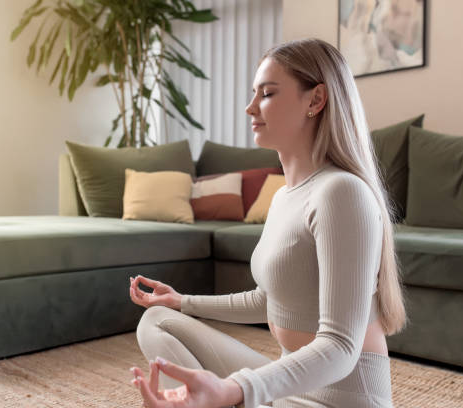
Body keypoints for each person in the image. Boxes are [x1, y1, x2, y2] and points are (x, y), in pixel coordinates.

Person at [127, 38, 406, 408]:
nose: (250, 107)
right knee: (159, 321)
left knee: (229, 392)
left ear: (315, 100)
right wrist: (183, 301)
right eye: (253, 93)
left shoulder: (342, 192)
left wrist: (236, 389)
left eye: (267, 94)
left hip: (342, 399)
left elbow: (341, 347)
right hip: (292, 385)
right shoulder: (282, 198)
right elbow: (271, 300)